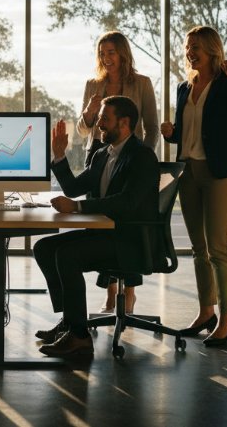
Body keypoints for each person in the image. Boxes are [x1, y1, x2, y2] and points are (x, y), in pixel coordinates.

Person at [33, 96, 161, 358]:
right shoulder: (102, 155)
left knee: (67, 255)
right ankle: (71, 322)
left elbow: (127, 202)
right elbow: (73, 188)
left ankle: (79, 337)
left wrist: (78, 208)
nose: (98, 124)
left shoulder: (142, 156)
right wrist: (59, 157)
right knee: (44, 247)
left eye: (105, 119)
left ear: (124, 123)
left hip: (130, 241)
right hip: (104, 236)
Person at [160, 25, 227, 348]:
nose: (189, 52)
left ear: (211, 49)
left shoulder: (226, 84)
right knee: (198, 249)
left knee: (218, 249)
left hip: (220, 173)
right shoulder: (183, 88)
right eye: (187, 47)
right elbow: (186, 133)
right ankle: (206, 312)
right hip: (188, 171)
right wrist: (171, 132)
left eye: (195, 47)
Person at [77, 31, 160, 315]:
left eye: (111, 52)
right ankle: (110, 293)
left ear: (123, 53)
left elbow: (152, 126)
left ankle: (129, 293)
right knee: (99, 224)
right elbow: (83, 129)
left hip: (130, 159)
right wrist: (88, 114)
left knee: (126, 220)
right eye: (102, 53)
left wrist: (141, 157)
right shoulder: (93, 84)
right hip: (98, 157)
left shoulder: (142, 83)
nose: (106, 58)